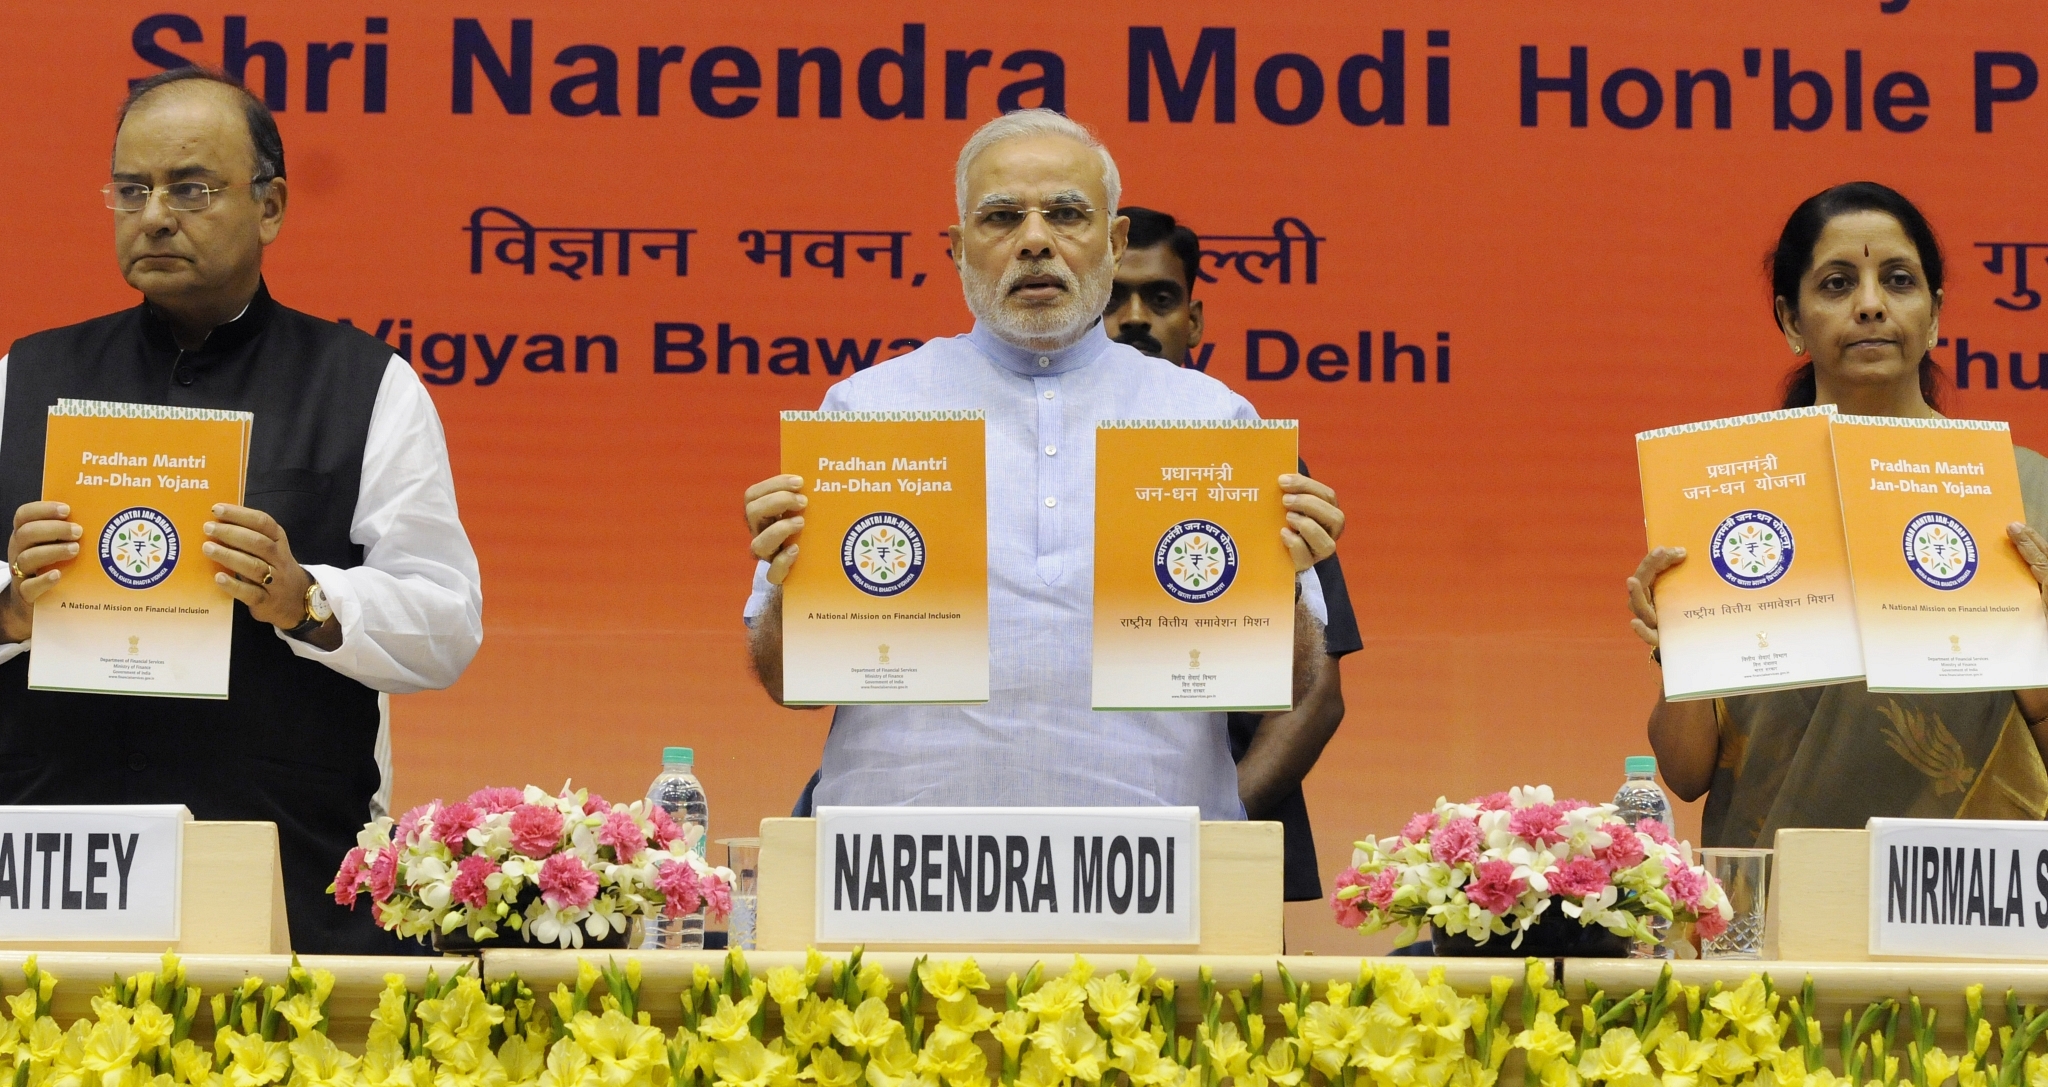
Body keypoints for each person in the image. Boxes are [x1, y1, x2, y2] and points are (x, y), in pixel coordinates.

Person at [0, 68, 483, 953]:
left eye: (190, 188)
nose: (153, 215)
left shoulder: (366, 385)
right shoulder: (20, 377)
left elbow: (447, 622)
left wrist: (308, 599)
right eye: (131, 189)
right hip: (47, 874)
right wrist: (9, 605)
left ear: (271, 206)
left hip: (286, 881)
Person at [743, 110, 1346, 817]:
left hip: (1152, 867)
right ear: (957, 247)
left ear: (1115, 242)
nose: (1035, 241)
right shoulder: (868, 409)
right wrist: (791, 582)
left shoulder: (1209, 419)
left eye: (1067, 214)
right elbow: (793, 683)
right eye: (1001, 218)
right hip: (906, 862)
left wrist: (1282, 586)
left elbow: (1292, 679)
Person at [1627, 181, 2048, 845]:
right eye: (1837, 284)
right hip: (1775, 895)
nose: (1872, 306)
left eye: (1899, 280)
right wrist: (1680, 653)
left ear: (1935, 314)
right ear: (1791, 318)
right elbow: (1684, 772)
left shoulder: (2021, 491)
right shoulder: (1733, 494)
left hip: (1970, 894)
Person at [1107, 206, 1359, 901]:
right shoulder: (1014, 460)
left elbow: (1317, 694)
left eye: (1159, 298)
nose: (1133, 318)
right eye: (1110, 299)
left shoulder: (1251, 466)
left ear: (1193, 321)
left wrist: (1210, 831)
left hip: (1211, 863)